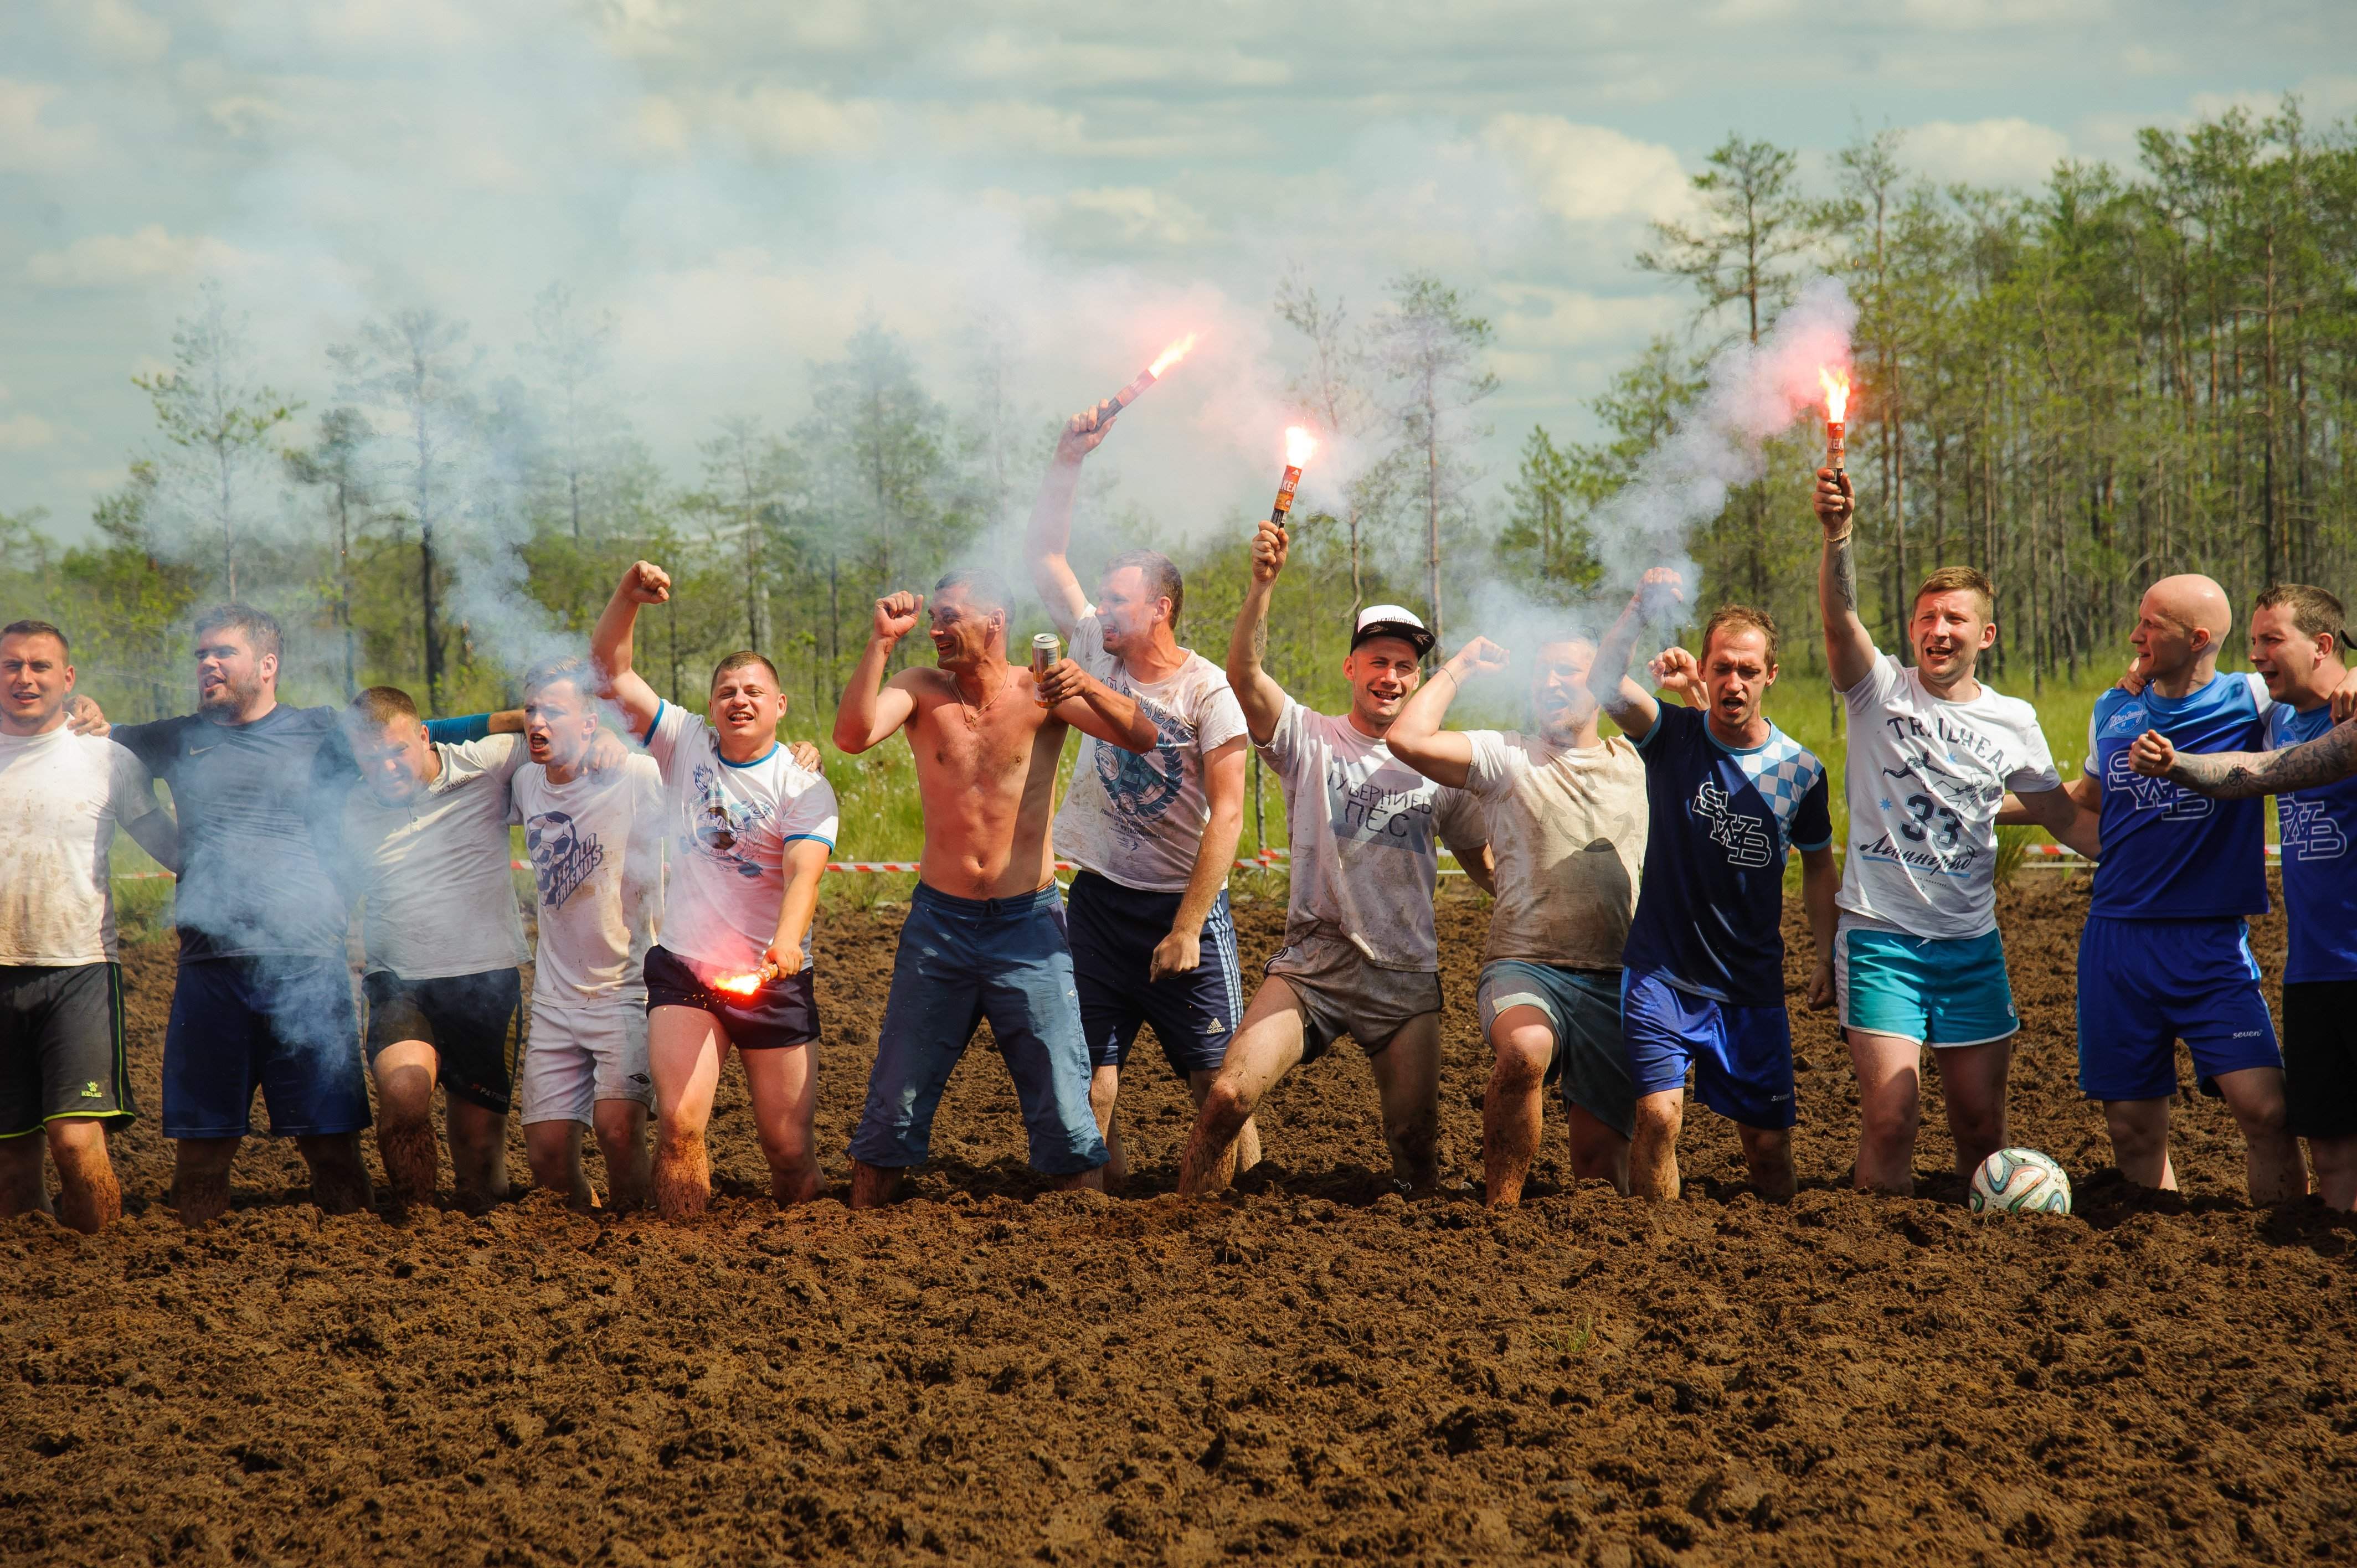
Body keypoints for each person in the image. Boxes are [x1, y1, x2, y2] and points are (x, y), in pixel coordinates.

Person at [94, 605, 506, 1227]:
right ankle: (195, 1281)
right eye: (200, 653)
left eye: (222, 652)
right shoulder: (177, 737)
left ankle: (354, 1271)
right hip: (210, 969)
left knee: (332, 1149)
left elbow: (417, 729)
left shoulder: (321, 733)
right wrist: (94, 725)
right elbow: (95, 744)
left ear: (267, 664)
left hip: (307, 968)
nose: (207, 663)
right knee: (202, 1156)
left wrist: (524, 720)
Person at [1178, 519, 1491, 1198]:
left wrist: (1532, 916)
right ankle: (1180, 1221)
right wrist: (1262, 586)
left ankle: (1425, 1258)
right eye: (1376, 661)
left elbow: (1481, 859)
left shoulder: (1438, 766)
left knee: (1414, 1145)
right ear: (1351, 668)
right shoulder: (1307, 739)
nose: (1390, 676)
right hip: (1312, 963)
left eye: (1404, 665)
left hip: (1403, 976)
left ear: (1418, 679)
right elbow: (1242, 673)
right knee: (1228, 1097)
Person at [833, 571, 1157, 1208]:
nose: (935, 629)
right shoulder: (920, 691)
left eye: (949, 617)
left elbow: (1142, 738)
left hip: (1027, 926)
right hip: (938, 927)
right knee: (893, 1101)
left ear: (995, 621)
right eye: (934, 619)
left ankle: (1087, 1244)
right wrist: (879, 644)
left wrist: (1084, 681)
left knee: (1067, 1104)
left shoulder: (1039, 690)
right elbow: (852, 736)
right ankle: (858, 1234)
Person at [1810, 470, 2093, 1195]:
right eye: (1927, 618)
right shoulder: (1878, 691)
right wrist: (1838, 536)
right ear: (1911, 630)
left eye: (1956, 620)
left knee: (1980, 1130)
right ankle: (1868, 1266)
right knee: (1892, 1116)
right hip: (1881, 941)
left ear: (1985, 636)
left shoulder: (2016, 721)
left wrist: (2143, 859)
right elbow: (1840, 620)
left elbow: (2062, 817)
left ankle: (1979, 1275)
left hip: (1972, 946)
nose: (1939, 630)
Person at [1024, 409, 1253, 1185]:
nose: (1105, 612)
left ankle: (1238, 1206)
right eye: (1106, 601)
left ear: (1162, 606)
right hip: (1098, 900)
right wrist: (1067, 459)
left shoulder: (1207, 691)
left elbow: (1229, 815)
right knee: (1094, 1072)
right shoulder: (1095, 645)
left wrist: (1189, 927)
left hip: (1179, 902)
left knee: (1219, 1086)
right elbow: (1046, 554)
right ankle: (1095, 1208)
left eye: (1122, 600)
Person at [591, 563, 840, 1220]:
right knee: (679, 1125)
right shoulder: (684, 743)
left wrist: (787, 941)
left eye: (754, 690)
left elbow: (803, 874)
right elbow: (611, 674)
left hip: (771, 976)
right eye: (727, 690)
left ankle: (805, 1251)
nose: (740, 699)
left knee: (785, 1147)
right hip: (686, 968)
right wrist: (628, 598)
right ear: (711, 707)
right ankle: (678, 1250)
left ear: (779, 705)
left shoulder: (803, 784)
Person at [1587, 570, 1838, 1203]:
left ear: (1770, 676)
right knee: (1658, 1118)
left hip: (1748, 985)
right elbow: (1601, 683)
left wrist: (1826, 954)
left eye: (1748, 670)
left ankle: (1784, 1258)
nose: (1733, 683)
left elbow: (1816, 864)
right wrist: (1639, 604)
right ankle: (1655, 1256)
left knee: (1767, 1146)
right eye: (1722, 667)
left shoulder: (1800, 771)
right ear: (1703, 669)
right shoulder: (1669, 738)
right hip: (1660, 973)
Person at [1386, 630, 1648, 1206]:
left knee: (1600, 1172)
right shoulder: (1506, 755)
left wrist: (1693, 692)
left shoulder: (1635, 762)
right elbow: (1405, 737)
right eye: (1541, 674)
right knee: (1525, 1051)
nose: (1550, 684)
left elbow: (1706, 760)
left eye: (1568, 673)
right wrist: (1462, 666)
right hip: (1523, 966)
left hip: (1614, 977)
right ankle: (1497, 1213)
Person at [2062, 574, 2301, 1203]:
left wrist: (2353, 678)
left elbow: (2319, 687)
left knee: (2267, 1113)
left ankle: (2279, 1248)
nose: (2134, 635)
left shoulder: (2252, 700)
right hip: (2114, 941)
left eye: (2151, 625)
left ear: (2196, 639)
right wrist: (1981, 806)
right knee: (2131, 1128)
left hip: (2209, 944)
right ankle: (2157, 1252)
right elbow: (2086, 800)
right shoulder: (2111, 708)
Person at [2129, 584, 2356, 1208]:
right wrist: (2145, 665)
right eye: (2251, 640)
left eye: (2270, 640)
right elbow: (2198, 676)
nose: (2255, 654)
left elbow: (2261, 774)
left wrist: (2177, 765)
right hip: (2310, 971)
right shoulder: (2278, 714)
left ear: (2322, 646)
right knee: (2332, 1149)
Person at [0, 621, 177, 1231]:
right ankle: (39, 1280)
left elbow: (171, 849)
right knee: (9, 1156)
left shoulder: (107, 760)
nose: (25, 678)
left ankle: (102, 1264)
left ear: (68, 678)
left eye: (40, 666)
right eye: (12, 665)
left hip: (79, 970)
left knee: (76, 1144)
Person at [339, 685, 534, 1215]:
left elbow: (556, 736)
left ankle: (481, 1236)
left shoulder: (488, 763)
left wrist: (602, 735)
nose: (387, 767)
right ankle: (415, 1218)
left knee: (478, 1151)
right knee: (404, 1099)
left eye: (398, 750)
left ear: (426, 736)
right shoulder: (347, 807)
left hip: (486, 979)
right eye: (371, 757)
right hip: (399, 981)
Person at [509, 657, 666, 1211]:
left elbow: (710, 768)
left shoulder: (634, 775)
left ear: (590, 722)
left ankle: (636, 1236)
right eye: (530, 711)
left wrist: (799, 757)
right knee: (547, 1156)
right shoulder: (525, 781)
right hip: (554, 995)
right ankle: (578, 1240)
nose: (537, 723)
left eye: (554, 712)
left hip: (625, 988)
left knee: (619, 1131)